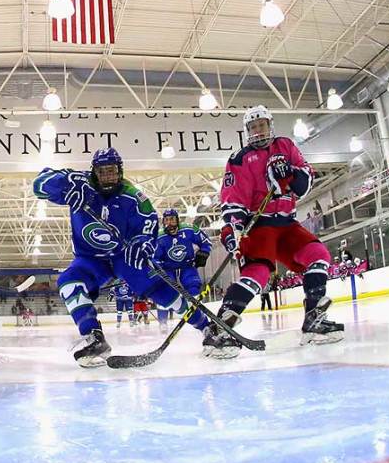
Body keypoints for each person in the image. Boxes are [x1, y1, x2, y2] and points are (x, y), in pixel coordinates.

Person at [33, 148, 232, 367]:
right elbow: (39, 184)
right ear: (94, 172)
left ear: (120, 171)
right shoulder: (79, 183)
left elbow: (149, 226)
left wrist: (143, 244)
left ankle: (207, 327)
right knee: (68, 282)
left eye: (112, 171)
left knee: (161, 291)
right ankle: (94, 337)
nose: (108, 176)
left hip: (124, 256)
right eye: (102, 171)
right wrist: (64, 181)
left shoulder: (134, 197)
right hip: (90, 258)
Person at [215, 105, 343, 356]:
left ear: (269, 125)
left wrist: (291, 173)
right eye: (253, 127)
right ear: (247, 131)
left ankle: (313, 319)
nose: (257, 131)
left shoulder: (286, 145)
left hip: (287, 223)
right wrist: (234, 227)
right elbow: (233, 199)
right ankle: (219, 327)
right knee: (259, 273)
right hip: (260, 224)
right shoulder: (240, 159)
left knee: (318, 256)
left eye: (261, 125)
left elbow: (304, 180)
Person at [152, 207, 212, 309]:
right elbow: (154, 257)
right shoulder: (159, 236)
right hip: (168, 268)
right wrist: (158, 269)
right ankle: (163, 323)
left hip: (187, 266)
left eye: (172, 219)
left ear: (178, 220)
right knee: (166, 292)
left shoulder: (189, 229)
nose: (169, 223)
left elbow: (206, 241)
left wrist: (204, 252)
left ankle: (194, 312)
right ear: (163, 221)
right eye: (166, 220)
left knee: (193, 286)